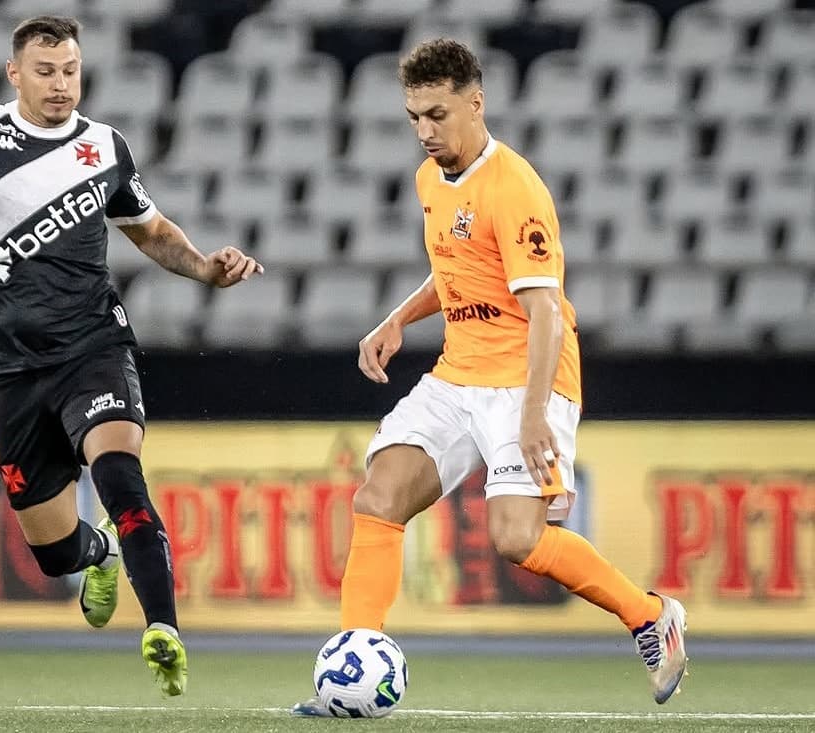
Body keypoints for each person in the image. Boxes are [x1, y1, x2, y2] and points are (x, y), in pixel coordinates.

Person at [0, 15, 263, 697]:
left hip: (94, 347)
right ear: (14, 73)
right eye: (45, 72)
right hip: (10, 367)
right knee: (53, 554)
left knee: (119, 470)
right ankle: (98, 551)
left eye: (70, 70)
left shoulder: (105, 146)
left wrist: (204, 268)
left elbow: (152, 230)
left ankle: (163, 627)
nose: (60, 85)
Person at [292, 39, 687, 715]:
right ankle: (352, 679)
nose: (424, 131)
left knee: (515, 538)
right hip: (460, 369)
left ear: (476, 103)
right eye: (414, 115)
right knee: (378, 495)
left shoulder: (516, 189)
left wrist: (534, 416)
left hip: (529, 373)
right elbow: (458, 270)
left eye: (437, 114)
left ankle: (650, 615)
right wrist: (400, 317)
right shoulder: (430, 180)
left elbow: (545, 316)